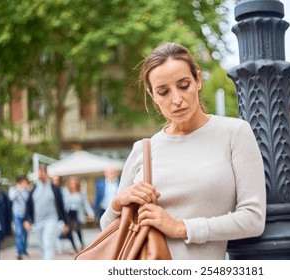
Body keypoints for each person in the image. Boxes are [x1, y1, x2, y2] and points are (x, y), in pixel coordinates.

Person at [100, 42, 266, 260]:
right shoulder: (143, 150)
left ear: (198, 80)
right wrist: (117, 202)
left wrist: (181, 227)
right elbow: (108, 229)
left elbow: (253, 219)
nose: (176, 100)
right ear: (153, 96)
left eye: (184, 85)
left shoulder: (234, 133)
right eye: (163, 92)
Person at [23, 164, 69, 260]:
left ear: (46, 173)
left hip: (51, 220)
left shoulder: (54, 189)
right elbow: (28, 206)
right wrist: (26, 220)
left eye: (42, 172)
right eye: (39, 172)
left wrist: (66, 223)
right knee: (43, 245)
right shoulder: (34, 188)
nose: (41, 174)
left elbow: (61, 206)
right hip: (38, 222)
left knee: (48, 243)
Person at [63, 176, 95, 252]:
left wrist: (90, 213)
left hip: (77, 213)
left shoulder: (81, 192)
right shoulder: (65, 192)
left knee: (77, 229)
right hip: (68, 213)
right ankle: (73, 247)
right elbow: (62, 204)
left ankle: (81, 244)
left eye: (75, 183)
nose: (73, 185)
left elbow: (85, 203)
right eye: (71, 183)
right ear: (69, 184)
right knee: (69, 230)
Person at [8, 175, 32, 260]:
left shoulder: (27, 191)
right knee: (18, 233)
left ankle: (24, 249)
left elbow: (30, 202)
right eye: (23, 181)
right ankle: (19, 252)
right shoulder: (13, 190)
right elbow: (11, 198)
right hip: (17, 215)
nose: (25, 183)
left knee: (26, 234)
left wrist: (29, 190)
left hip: (26, 216)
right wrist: (19, 190)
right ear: (19, 182)